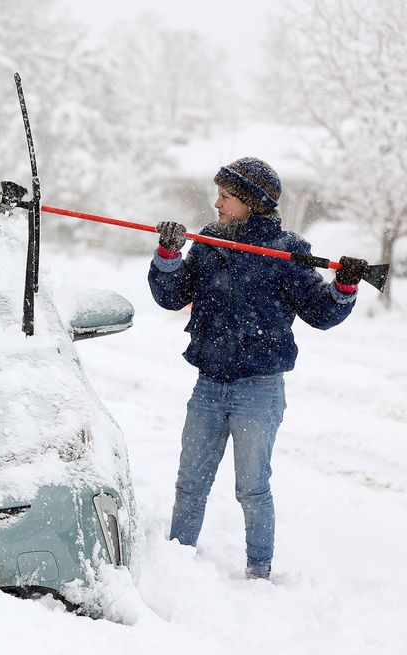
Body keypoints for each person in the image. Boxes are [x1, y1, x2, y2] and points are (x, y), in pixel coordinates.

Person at [148, 157, 368, 580]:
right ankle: (176, 568)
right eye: (219, 196)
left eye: (226, 197)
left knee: (251, 488)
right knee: (190, 483)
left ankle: (259, 572)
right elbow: (173, 296)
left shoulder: (287, 252)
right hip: (209, 384)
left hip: (259, 389)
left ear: (252, 202)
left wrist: (344, 287)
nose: (217, 204)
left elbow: (320, 312)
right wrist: (168, 256)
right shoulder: (211, 241)